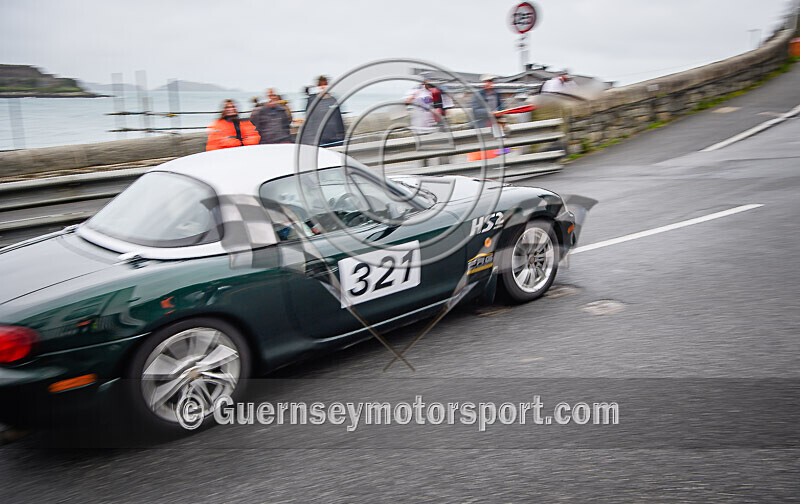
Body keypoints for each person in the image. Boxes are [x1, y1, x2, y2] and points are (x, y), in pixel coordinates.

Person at [299, 75, 345, 147]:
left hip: (334, 137)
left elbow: (338, 119)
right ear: (317, 86)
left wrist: (342, 136)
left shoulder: (333, 100)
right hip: (319, 138)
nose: (323, 87)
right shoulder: (312, 100)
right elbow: (309, 120)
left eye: (325, 84)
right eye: (321, 85)